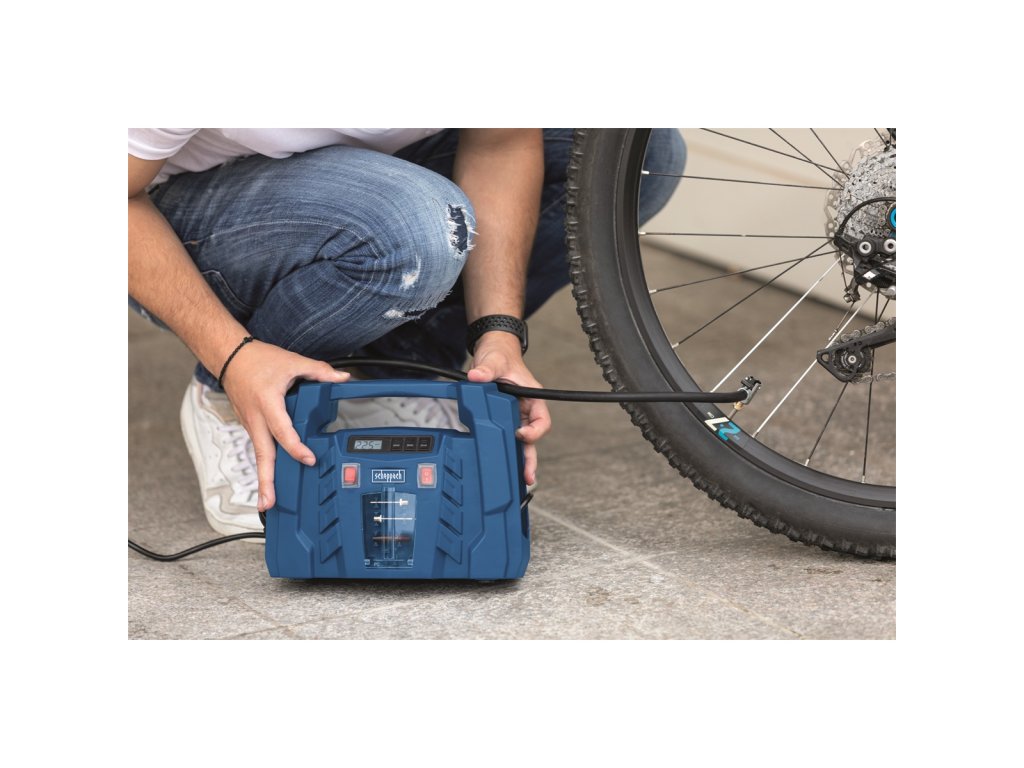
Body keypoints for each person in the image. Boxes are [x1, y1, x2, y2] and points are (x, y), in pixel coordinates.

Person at [128, 128, 684, 538]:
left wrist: (497, 334)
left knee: (634, 157)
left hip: (359, 172)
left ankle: (391, 367)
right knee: (417, 229)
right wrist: (231, 355)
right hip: (172, 209)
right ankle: (228, 394)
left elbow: (501, 144)